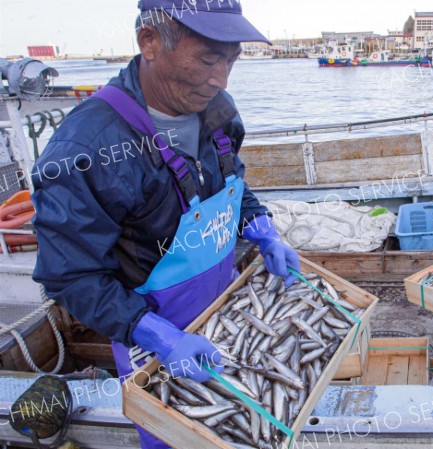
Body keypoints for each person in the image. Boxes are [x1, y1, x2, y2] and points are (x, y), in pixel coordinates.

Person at [30, 1, 300, 447]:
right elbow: (70, 276)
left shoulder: (216, 107)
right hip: (150, 335)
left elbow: (231, 181)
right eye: (209, 58)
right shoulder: (84, 149)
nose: (221, 79)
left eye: (231, 60)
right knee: (178, 436)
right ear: (149, 42)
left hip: (225, 309)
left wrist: (260, 227)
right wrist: (157, 335)